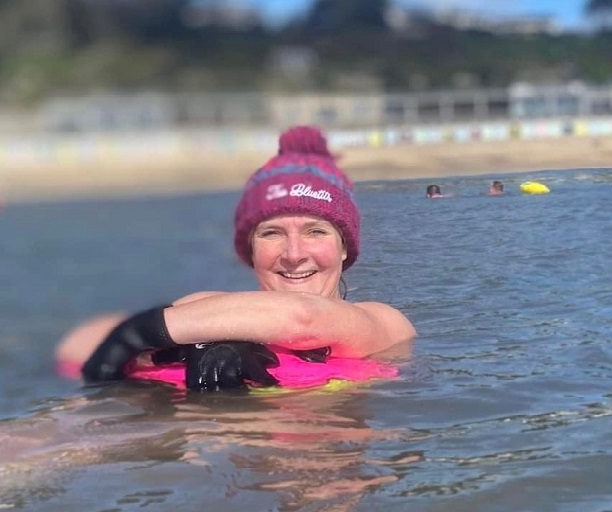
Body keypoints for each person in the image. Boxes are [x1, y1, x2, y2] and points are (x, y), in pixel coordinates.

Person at [55, 125, 416, 390]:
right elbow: (76, 343)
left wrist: (137, 335)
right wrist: (188, 350)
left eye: (315, 232)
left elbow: (304, 319)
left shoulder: (384, 321)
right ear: (250, 251)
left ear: (345, 248)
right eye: (271, 233)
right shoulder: (210, 308)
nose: (293, 254)